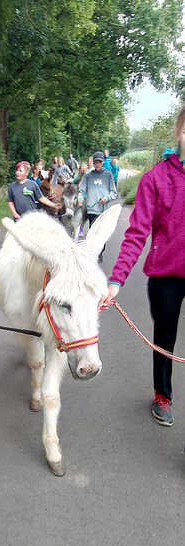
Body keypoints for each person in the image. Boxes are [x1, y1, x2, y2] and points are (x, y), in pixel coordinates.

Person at [100, 104, 185, 427]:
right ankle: (162, 395)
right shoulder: (156, 180)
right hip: (165, 278)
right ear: (178, 133)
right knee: (165, 340)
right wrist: (116, 280)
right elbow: (136, 235)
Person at [78, 151, 118, 262]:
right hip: (92, 209)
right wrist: (80, 199)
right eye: (95, 162)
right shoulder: (88, 176)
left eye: (99, 162)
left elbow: (114, 192)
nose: (97, 164)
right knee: (93, 232)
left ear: (102, 162)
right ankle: (93, 252)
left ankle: (100, 252)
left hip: (104, 209)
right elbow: (81, 190)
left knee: (102, 233)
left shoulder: (108, 175)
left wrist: (107, 198)